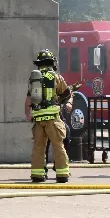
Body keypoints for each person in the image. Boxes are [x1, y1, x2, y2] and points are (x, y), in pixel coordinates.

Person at [26, 49, 71, 183]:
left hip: (38, 118)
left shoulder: (34, 78)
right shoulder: (56, 77)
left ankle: (37, 175)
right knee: (58, 145)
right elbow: (66, 93)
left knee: (39, 147)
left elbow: (30, 97)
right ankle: (62, 174)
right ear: (52, 62)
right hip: (52, 118)